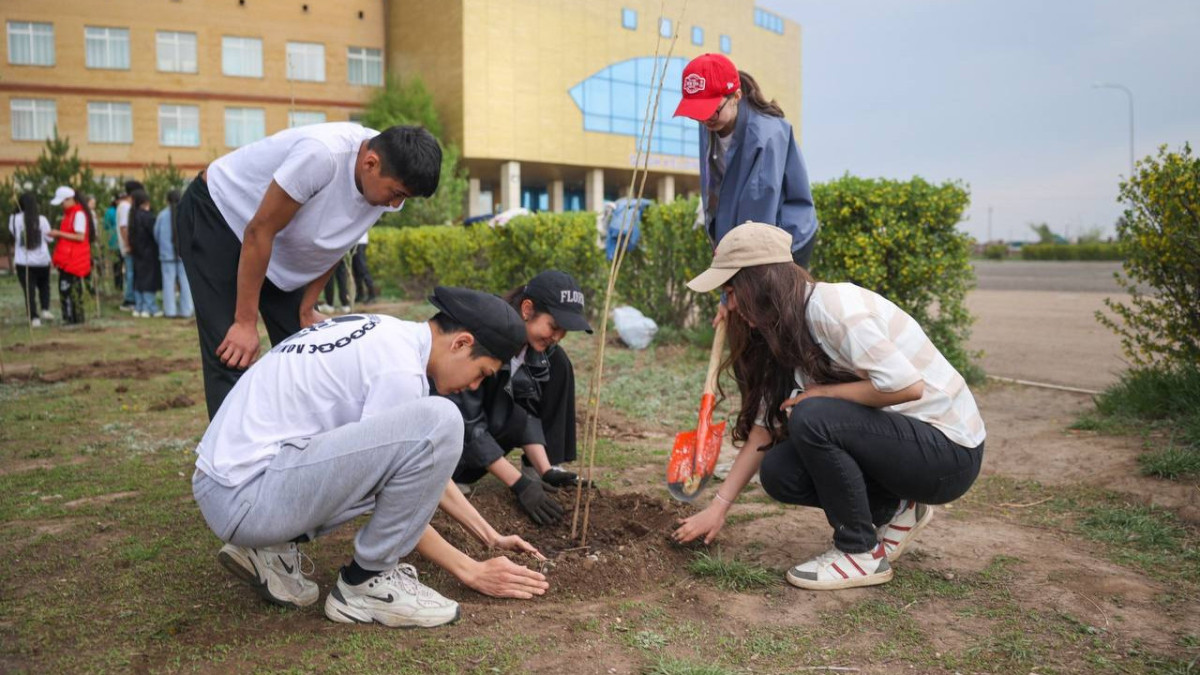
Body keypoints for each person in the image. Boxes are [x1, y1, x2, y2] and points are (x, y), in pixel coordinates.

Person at [193, 286, 548, 628]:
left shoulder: (390, 336)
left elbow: (419, 476)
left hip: (230, 487)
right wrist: (470, 569)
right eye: (481, 373)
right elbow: (391, 489)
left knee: (427, 432)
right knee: (443, 419)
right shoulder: (401, 372)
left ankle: (267, 549)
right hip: (248, 499)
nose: (473, 387)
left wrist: (488, 536)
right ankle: (368, 583)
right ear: (461, 343)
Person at [673, 223, 986, 590]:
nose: (730, 305)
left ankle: (859, 553)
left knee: (812, 415)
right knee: (778, 470)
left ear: (759, 283)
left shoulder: (834, 309)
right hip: (905, 447)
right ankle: (897, 507)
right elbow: (765, 428)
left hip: (948, 454)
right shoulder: (786, 329)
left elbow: (907, 386)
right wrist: (718, 508)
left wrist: (824, 395)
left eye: (731, 291)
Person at [177, 122, 442, 418]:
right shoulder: (322, 155)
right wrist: (244, 322)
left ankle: (295, 448)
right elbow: (259, 231)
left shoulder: (383, 186)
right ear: (370, 163)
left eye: (403, 197)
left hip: (272, 241)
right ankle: (230, 461)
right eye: (396, 193)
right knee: (233, 350)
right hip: (220, 215)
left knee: (308, 348)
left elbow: (336, 242)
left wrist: (307, 307)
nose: (396, 204)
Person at [674, 54, 819, 324]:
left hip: (782, 246)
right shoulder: (710, 124)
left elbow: (757, 225)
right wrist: (727, 292)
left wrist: (740, 291)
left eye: (712, 110)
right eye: (697, 112)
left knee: (771, 330)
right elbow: (719, 208)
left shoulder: (765, 136)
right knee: (743, 326)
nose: (705, 119)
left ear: (736, 95)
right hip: (745, 244)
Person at [445, 270, 593, 525]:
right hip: (450, 442)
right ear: (527, 309)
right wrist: (519, 485)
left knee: (558, 362)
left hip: (486, 430)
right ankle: (450, 476)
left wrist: (545, 470)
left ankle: (542, 467)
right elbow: (467, 422)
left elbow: (523, 414)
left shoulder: (535, 349)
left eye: (564, 331)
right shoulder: (484, 338)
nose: (557, 336)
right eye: (554, 326)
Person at [45, 186, 91, 324]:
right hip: (67, 259)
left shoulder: (78, 214)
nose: (61, 206)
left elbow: (80, 237)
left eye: (62, 202)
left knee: (70, 290)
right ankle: (70, 317)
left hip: (74, 260)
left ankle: (74, 318)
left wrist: (58, 234)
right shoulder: (69, 215)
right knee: (66, 290)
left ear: (70, 199)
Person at [8, 191, 54, 327]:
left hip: (23, 262)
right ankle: (45, 309)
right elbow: (49, 238)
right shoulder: (42, 220)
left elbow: (13, 234)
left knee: (29, 290)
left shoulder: (14, 219)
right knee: (44, 286)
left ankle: (34, 317)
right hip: (42, 260)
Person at [155, 189, 193, 318]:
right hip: (184, 255)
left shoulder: (161, 215)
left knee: (168, 283)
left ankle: (170, 311)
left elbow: (156, 234)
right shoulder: (188, 213)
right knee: (186, 283)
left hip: (166, 255)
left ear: (167, 200)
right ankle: (186, 310)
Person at [129, 190, 163, 318]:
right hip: (149, 252)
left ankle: (139, 306)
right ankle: (150, 307)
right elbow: (155, 234)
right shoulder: (148, 216)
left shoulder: (133, 215)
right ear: (145, 201)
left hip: (137, 252)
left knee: (138, 279)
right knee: (149, 279)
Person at [116, 183, 139, 311]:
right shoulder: (125, 206)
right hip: (128, 246)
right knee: (130, 273)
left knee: (129, 272)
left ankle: (130, 297)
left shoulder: (122, 206)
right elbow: (124, 227)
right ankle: (129, 300)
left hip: (126, 245)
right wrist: (128, 244)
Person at [351, 230, 378, 304]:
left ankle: (372, 294)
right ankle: (360, 294)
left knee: (362, 268)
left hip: (360, 242)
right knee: (356, 270)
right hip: (353, 242)